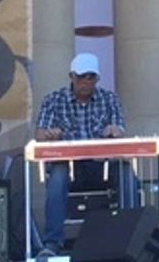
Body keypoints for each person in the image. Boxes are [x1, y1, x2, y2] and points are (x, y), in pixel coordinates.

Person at [34, 52, 132, 254]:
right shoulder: (53, 100)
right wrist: (49, 134)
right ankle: (52, 242)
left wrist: (115, 131)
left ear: (97, 79)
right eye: (81, 77)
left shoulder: (109, 99)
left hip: (101, 166)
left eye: (91, 77)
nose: (86, 82)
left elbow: (120, 129)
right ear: (71, 76)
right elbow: (39, 134)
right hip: (70, 168)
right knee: (58, 175)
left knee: (127, 174)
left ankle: (131, 237)